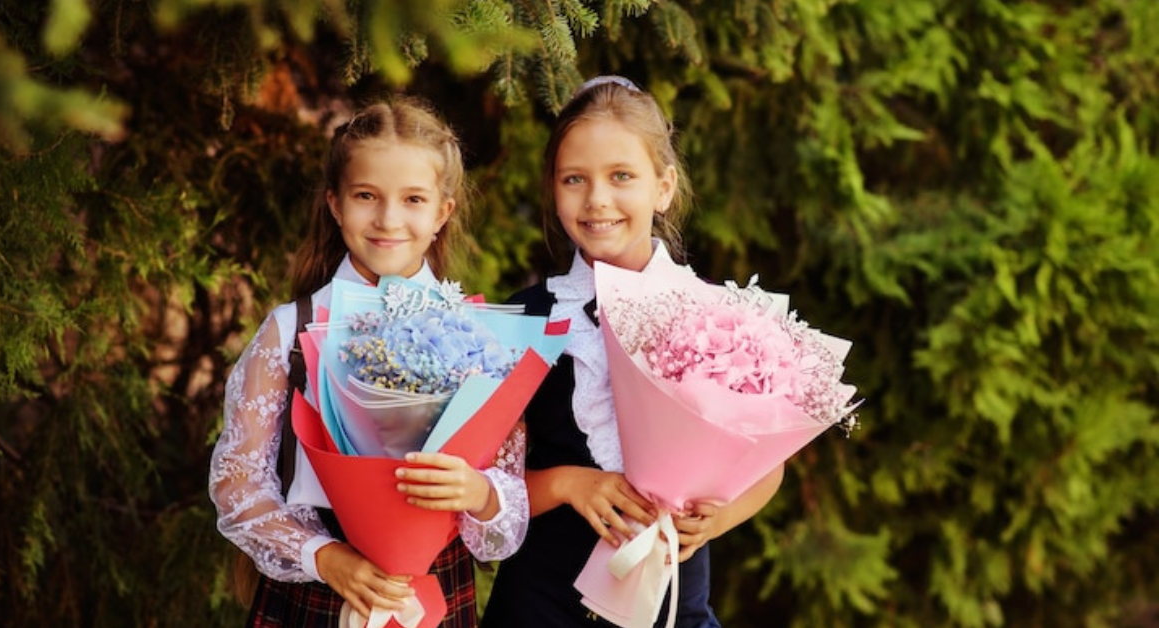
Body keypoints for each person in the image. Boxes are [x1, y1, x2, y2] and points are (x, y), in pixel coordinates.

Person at [209, 96, 528, 628]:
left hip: (434, 590)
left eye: (413, 199)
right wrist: (323, 556)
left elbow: (508, 498)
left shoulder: (479, 338)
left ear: (441, 213)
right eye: (366, 196)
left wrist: (479, 493)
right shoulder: (291, 330)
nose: (387, 218)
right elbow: (238, 485)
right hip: (321, 588)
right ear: (335, 204)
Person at [480, 76, 785, 628]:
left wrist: (718, 521)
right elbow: (481, 486)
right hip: (539, 610)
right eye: (575, 179)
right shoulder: (523, 319)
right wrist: (569, 484)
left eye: (621, 176)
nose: (597, 199)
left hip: (672, 609)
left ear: (663, 186)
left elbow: (769, 465)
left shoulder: (719, 320)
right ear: (553, 188)